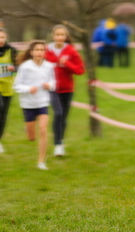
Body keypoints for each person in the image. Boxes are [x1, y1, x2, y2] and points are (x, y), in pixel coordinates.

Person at [13, 41, 55, 170]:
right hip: (28, 104)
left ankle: (41, 161)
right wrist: (28, 89)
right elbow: (16, 86)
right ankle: (30, 132)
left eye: (42, 50)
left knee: (43, 130)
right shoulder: (25, 67)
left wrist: (50, 85)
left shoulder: (49, 66)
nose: (39, 52)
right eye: (37, 50)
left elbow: (54, 82)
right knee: (31, 137)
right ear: (31, 52)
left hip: (42, 102)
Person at [45, 25, 85, 156]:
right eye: (57, 35)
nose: (59, 37)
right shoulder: (46, 51)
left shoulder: (71, 51)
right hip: (52, 88)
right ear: (53, 36)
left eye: (62, 35)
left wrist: (67, 64)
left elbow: (80, 70)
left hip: (67, 89)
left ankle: (60, 142)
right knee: (58, 113)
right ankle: (57, 145)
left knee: (63, 117)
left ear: (66, 37)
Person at [0, 28, 17, 153]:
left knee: (3, 117)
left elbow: (18, 66)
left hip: (7, 88)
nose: (1, 40)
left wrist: (13, 67)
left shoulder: (12, 51)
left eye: (2, 37)